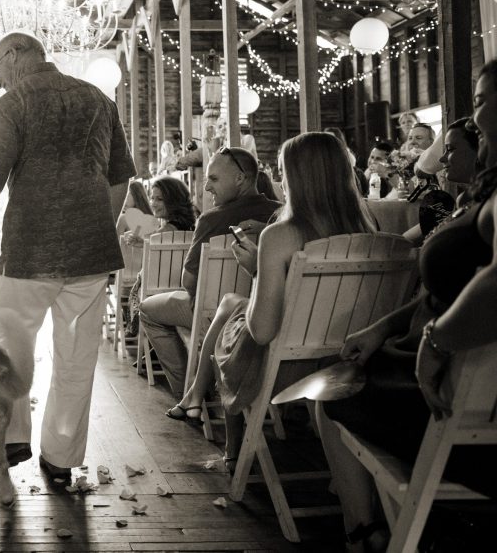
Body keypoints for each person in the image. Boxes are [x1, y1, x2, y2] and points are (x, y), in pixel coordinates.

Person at [0, 31, 136, 480]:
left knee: (6, 340)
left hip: (30, 249)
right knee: (78, 356)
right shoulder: (100, 101)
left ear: (15, 55)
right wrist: (96, 225)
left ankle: (13, 436)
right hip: (91, 252)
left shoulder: (12, 106)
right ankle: (60, 458)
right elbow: (120, 179)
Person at [317, 63, 497, 553]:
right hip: (438, 371)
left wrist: (437, 341)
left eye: (481, 100)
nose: (473, 116)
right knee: (341, 370)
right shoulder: (475, 197)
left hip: (454, 399)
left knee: (329, 392)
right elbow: (446, 291)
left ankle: (371, 533)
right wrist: (383, 325)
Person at [167, 133, 376, 470]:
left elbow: (262, 331)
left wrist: (256, 270)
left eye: (281, 172)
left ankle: (231, 450)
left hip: (286, 366)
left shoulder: (279, 236)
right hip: (349, 360)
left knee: (230, 323)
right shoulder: (372, 232)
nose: (279, 181)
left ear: (295, 178)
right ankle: (206, 413)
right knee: (231, 306)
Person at [138, 147, 281, 399]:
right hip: (264, 312)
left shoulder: (212, 219)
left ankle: (189, 390)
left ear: (240, 178)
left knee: (147, 309)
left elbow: (189, 281)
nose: (206, 188)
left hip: (211, 312)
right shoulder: (281, 214)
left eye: (213, 179)